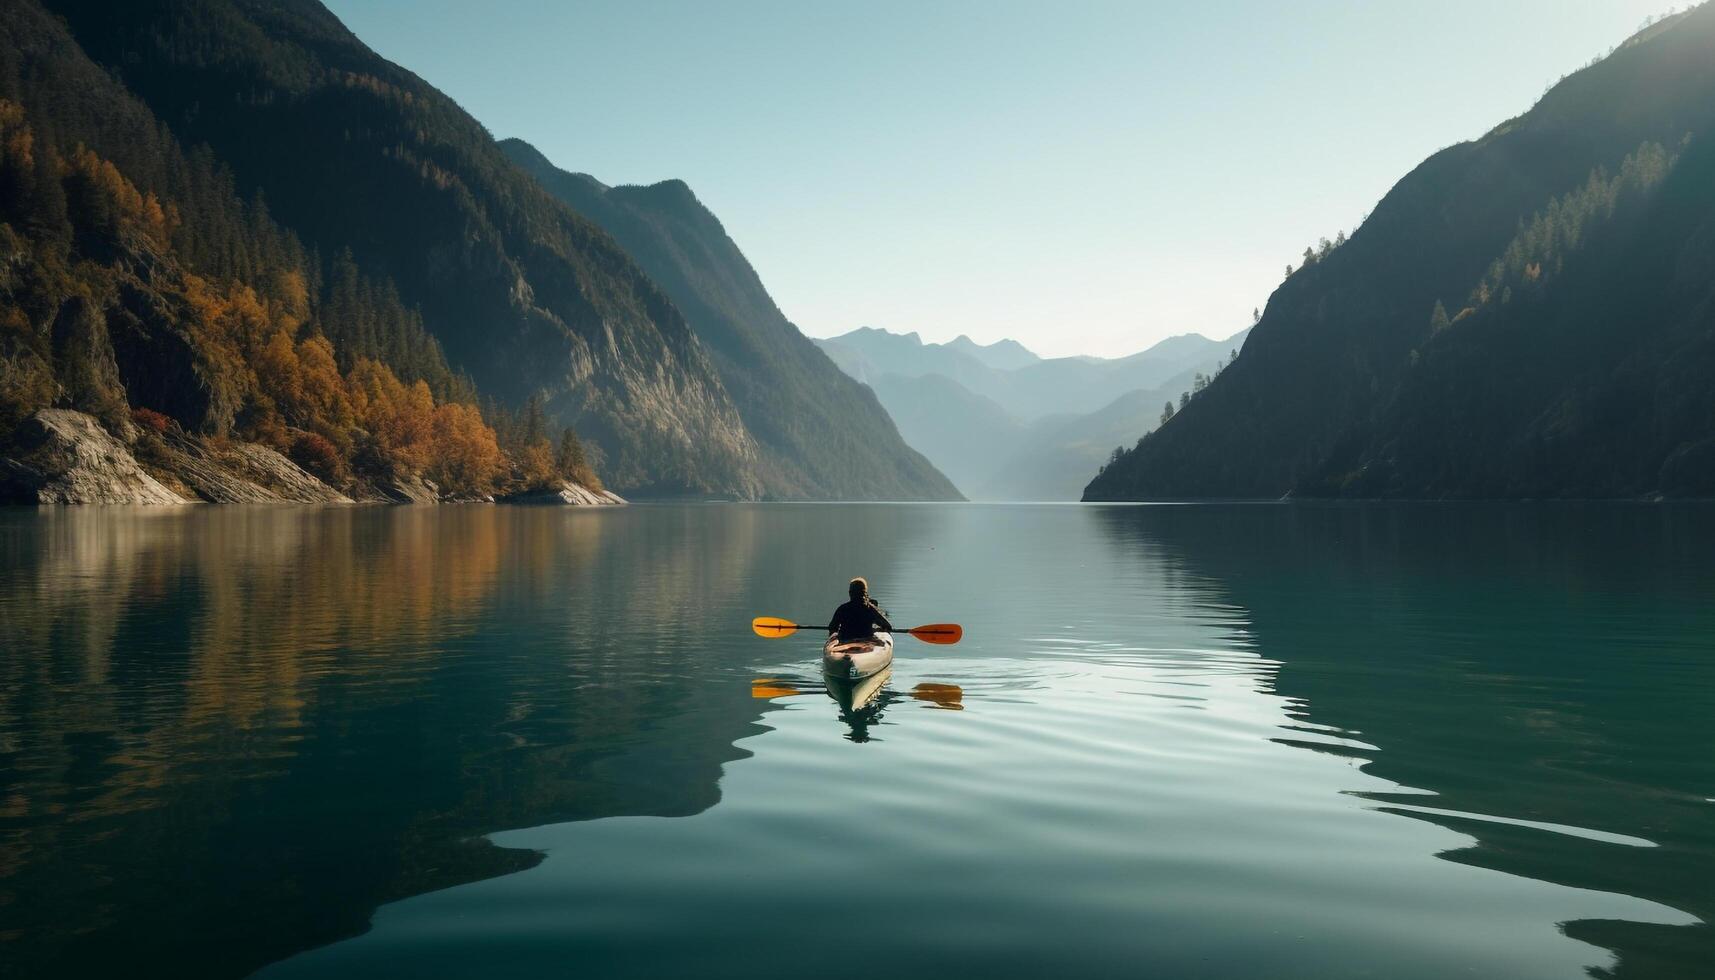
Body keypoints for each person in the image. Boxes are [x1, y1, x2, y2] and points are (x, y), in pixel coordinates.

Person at [827, 577, 893, 640]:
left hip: (846, 639)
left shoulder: (842, 609)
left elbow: (832, 628)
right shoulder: (870, 610)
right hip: (866, 640)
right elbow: (887, 626)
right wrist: (876, 630)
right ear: (864, 593)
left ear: (850, 593)